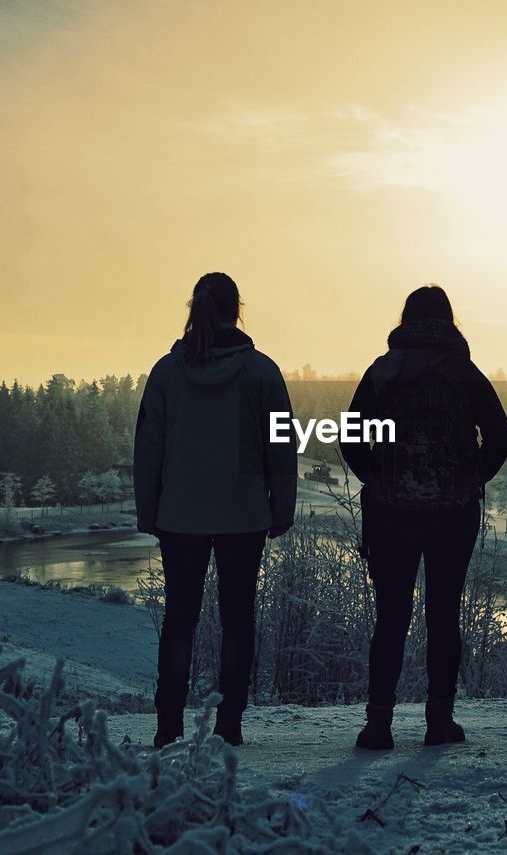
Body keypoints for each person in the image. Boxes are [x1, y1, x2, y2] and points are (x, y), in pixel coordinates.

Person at [342, 285, 507, 750]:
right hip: (452, 515)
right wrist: (472, 478)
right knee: (444, 615)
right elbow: (502, 434)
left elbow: (350, 436)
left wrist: (378, 479)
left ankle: (378, 725)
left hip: (390, 514)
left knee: (391, 617)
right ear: (449, 321)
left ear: (406, 318)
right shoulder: (463, 370)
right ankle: (439, 721)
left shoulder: (384, 370)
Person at [134, 272, 296, 749]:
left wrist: (150, 511)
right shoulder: (262, 371)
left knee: (179, 620)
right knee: (238, 619)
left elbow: (149, 447)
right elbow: (281, 449)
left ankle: (169, 728)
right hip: (244, 515)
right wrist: (280, 510)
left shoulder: (167, 373)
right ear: (237, 310)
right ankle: (229, 725)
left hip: (180, 515)